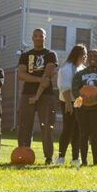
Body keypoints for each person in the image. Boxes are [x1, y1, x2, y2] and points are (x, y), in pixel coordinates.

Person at [17, 28, 58, 165]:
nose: (39, 38)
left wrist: (37, 94)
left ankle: (48, 157)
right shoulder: (25, 55)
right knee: (24, 126)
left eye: (41, 36)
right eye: (36, 36)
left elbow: (47, 76)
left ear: (45, 38)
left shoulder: (51, 55)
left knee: (46, 126)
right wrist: (39, 80)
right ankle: (23, 154)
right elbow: (21, 75)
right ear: (32, 38)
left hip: (46, 96)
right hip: (27, 94)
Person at [72, 49, 97, 166]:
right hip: (82, 108)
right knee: (83, 134)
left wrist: (95, 98)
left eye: (96, 55)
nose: (93, 58)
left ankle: (96, 161)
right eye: (90, 56)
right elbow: (74, 89)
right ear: (86, 58)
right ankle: (83, 161)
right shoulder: (79, 74)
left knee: (94, 134)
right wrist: (82, 97)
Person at [56, 44, 87, 166]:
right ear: (77, 55)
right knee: (68, 129)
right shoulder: (67, 68)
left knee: (78, 130)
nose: (85, 57)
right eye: (83, 55)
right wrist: (68, 103)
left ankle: (75, 158)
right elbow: (65, 87)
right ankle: (61, 157)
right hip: (67, 101)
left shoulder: (82, 68)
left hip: (79, 102)